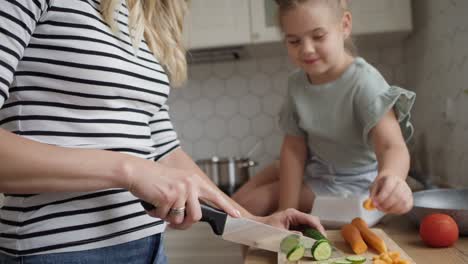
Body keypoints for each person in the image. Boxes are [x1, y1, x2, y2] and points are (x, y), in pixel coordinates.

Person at [0, 0, 325, 263]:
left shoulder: (141, 14)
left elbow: (165, 151)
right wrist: (129, 169)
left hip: (148, 246)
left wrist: (254, 224)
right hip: (57, 252)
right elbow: (144, 165)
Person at [233, 0, 416, 218]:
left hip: (353, 182)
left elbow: (391, 146)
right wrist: (287, 210)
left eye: (318, 36)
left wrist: (392, 177)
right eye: (294, 41)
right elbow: (293, 149)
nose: (306, 49)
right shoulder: (297, 84)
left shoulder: (364, 82)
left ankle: (265, 246)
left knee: (250, 207)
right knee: (236, 202)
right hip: (317, 169)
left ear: (345, 25)